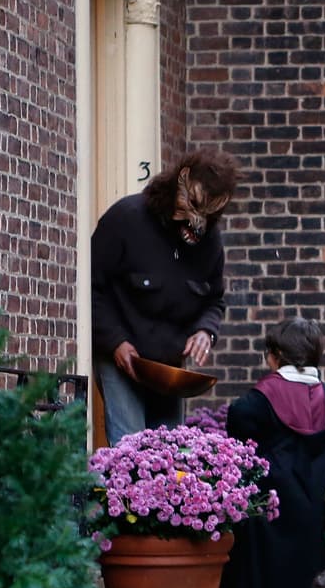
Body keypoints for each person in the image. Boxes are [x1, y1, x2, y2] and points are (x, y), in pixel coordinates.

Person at [91, 149, 240, 444]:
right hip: (122, 356)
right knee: (129, 449)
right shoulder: (126, 219)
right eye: (194, 207)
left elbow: (215, 300)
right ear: (180, 182)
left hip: (169, 368)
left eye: (208, 214)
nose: (197, 223)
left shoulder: (210, 242)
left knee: (169, 454)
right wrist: (115, 341)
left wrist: (204, 331)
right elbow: (91, 286)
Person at [213, 317, 325, 588]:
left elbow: (238, 422)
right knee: (301, 560)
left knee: (252, 555)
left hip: (267, 501)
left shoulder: (263, 397)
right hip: (309, 501)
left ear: (275, 355)